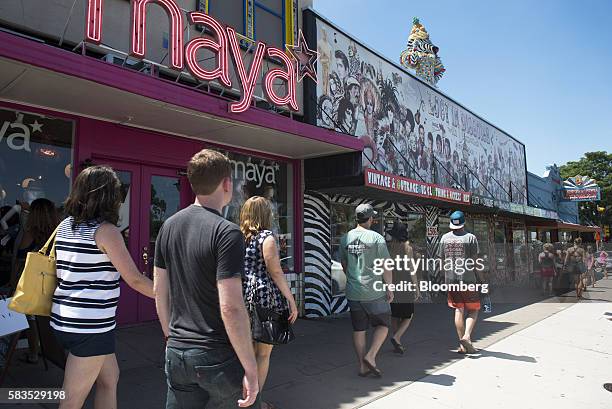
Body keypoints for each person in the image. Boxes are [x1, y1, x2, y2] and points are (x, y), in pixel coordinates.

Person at [154, 149, 260, 409]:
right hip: (216, 355)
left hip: (177, 353)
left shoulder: (168, 226)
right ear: (226, 184)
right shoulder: (227, 232)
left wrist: (171, 337)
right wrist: (251, 367)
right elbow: (231, 306)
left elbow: (159, 290)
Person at [51, 166, 154, 409]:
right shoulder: (107, 232)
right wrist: (171, 296)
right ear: (109, 196)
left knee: (110, 378)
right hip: (90, 327)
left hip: (64, 319)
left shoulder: (65, 225)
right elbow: (135, 279)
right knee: (71, 401)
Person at [240, 196, 298, 409]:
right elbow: (275, 271)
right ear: (264, 215)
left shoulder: (238, 236)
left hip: (241, 297)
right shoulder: (267, 238)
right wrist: (291, 300)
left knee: (246, 352)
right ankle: (255, 402)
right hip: (264, 298)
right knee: (263, 354)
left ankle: (243, 398)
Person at [339, 204, 393, 377]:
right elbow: (386, 265)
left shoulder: (345, 238)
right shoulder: (376, 238)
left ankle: (362, 366)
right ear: (370, 219)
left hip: (353, 292)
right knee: (384, 324)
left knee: (359, 329)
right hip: (374, 292)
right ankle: (371, 355)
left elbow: (344, 264)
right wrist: (390, 287)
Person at [12, 198, 59, 364]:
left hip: (32, 283)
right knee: (46, 319)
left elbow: (19, 261)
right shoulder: (59, 233)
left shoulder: (29, 233)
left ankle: (33, 352)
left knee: (30, 318)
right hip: (52, 282)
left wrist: (12, 282)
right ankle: (51, 351)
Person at [439, 210, 481, 354]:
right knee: (474, 309)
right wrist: (481, 279)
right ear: (464, 222)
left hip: (451, 280)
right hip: (468, 280)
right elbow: (475, 262)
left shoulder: (444, 238)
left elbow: (441, 261)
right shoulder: (470, 238)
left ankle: (463, 346)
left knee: (458, 310)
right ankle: (467, 336)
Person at [386, 222, 420, 355]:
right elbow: (412, 270)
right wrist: (416, 288)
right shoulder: (407, 247)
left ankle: (397, 343)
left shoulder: (390, 247)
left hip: (392, 283)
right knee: (408, 315)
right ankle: (396, 337)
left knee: (394, 315)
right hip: (405, 284)